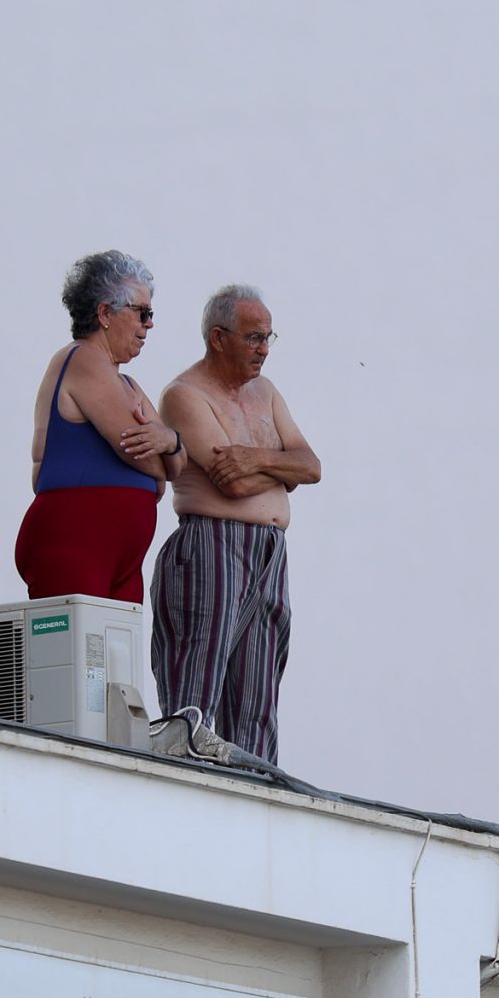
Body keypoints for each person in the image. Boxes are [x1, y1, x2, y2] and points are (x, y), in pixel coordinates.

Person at [151, 285, 320, 761]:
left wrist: (251, 457)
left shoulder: (266, 392)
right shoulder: (185, 395)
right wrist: (276, 469)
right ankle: (189, 783)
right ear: (218, 338)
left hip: (269, 551)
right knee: (198, 684)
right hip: (212, 545)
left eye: (268, 338)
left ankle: (255, 789)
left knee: (258, 692)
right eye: (253, 338)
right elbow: (235, 487)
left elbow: (311, 466)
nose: (263, 349)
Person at [15, 251, 185, 604]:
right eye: (142, 312)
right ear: (105, 313)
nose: (149, 324)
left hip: (117, 556)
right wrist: (165, 458)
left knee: (115, 656)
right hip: (74, 542)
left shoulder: (129, 385)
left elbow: (178, 464)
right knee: (76, 655)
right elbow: (135, 451)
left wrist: (168, 442)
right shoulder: (81, 359)